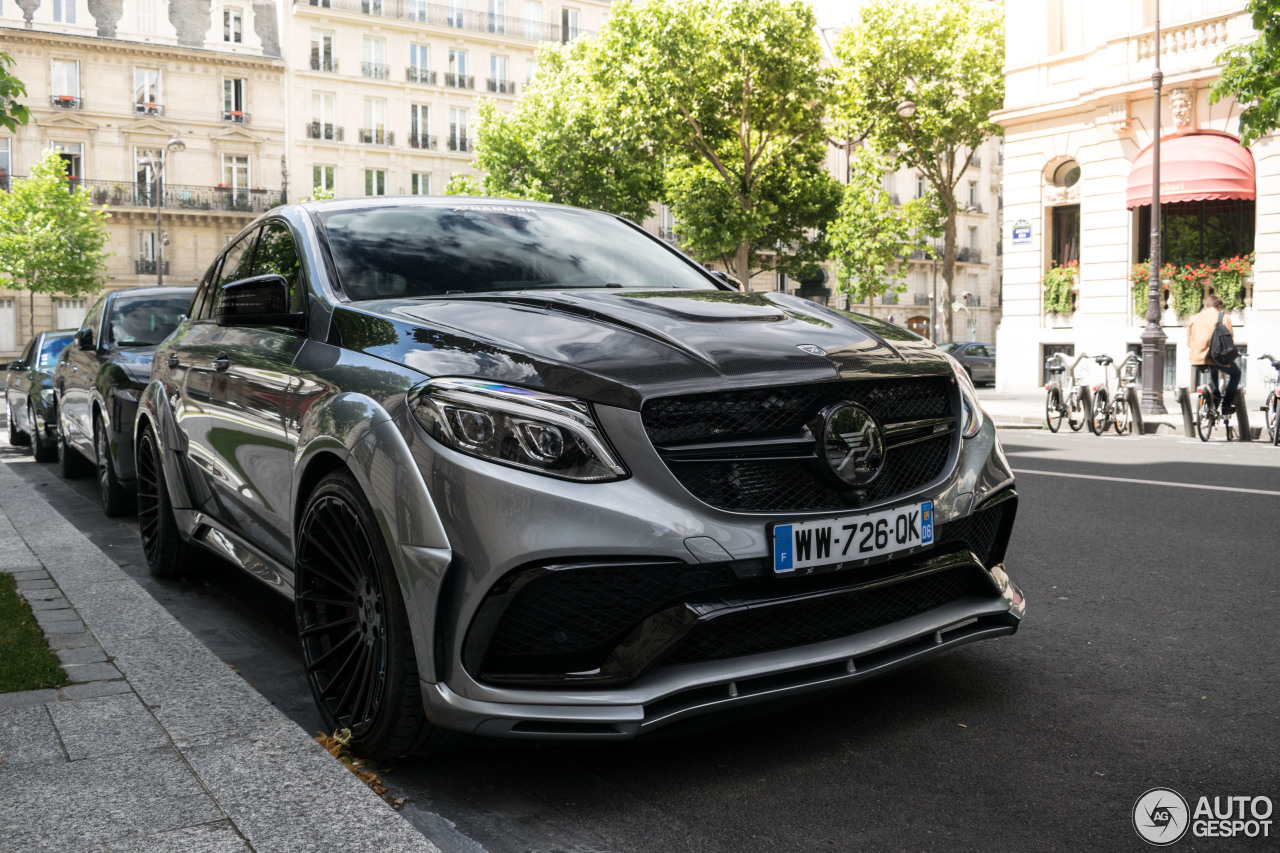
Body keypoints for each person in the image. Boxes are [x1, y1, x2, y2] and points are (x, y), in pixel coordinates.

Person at [1186, 294, 1240, 415]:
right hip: (1218, 358)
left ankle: (1213, 397)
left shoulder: (1193, 318)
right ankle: (1226, 406)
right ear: (1219, 306)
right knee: (1236, 374)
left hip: (1197, 358)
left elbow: (1189, 342)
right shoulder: (1224, 317)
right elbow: (1229, 341)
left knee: (1212, 370)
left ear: (1205, 306)